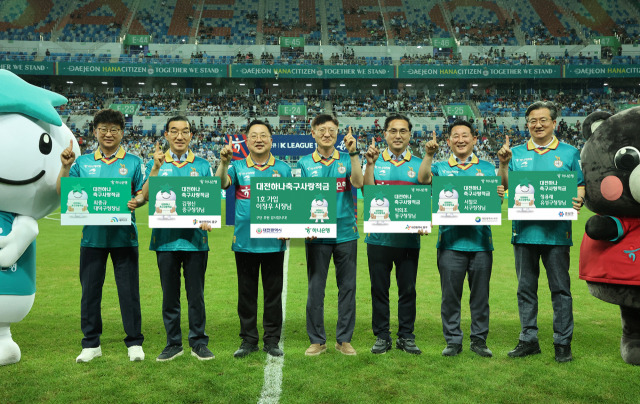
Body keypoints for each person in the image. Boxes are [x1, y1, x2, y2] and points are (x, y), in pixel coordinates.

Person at [56, 109, 146, 363]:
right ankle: (91, 344)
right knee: (90, 292)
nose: (109, 134)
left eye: (114, 129)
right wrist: (65, 167)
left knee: (129, 292)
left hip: (124, 237)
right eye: (103, 129)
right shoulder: (81, 163)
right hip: (92, 239)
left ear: (122, 132)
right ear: (95, 132)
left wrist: (137, 201)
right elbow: (63, 193)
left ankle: (134, 342)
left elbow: (143, 194)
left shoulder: (134, 162)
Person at [499, 101, 585, 363]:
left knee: (560, 290)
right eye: (532, 121)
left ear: (554, 123)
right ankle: (528, 339)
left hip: (558, 233)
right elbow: (505, 187)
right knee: (525, 289)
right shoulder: (514, 153)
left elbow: (579, 186)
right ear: (527, 124)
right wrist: (503, 165)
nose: (537, 125)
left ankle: (562, 343)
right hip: (524, 233)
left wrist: (578, 199)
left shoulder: (570, 153)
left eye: (543, 120)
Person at [418, 120, 508, 358]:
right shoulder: (439, 167)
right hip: (450, 243)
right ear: (448, 142)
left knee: (480, 297)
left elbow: (499, 196)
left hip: (481, 243)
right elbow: (423, 179)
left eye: (465, 135)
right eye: (455, 136)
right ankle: (453, 341)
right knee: (450, 296)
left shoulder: (488, 168)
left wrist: (500, 184)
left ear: (474, 139)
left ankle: (479, 341)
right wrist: (428, 155)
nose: (460, 140)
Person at [216, 120, 291, 358]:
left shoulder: (284, 169)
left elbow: (291, 202)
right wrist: (224, 162)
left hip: (273, 243)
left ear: (271, 140)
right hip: (245, 243)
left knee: (273, 294)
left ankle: (271, 340)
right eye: (254, 136)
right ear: (246, 141)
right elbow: (221, 184)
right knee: (246, 295)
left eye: (263, 135)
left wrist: (289, 225)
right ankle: (248, 340)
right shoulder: (237, 167)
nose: (259, 139)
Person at [142, 116, 214, 362]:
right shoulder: (158, 163)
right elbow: (146, 196)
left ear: (191, 136)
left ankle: (198, 342)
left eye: (185, 132)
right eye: (174, 131)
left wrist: (209, 219)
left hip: (196, 241)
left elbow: (209, 201)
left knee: (196, 296)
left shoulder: (203, 165)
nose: (180, 136)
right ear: (167, 135)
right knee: (169, 295)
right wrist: (155, 169)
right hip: (165, 240)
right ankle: (173, 343)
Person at [297, 115, 363, 356]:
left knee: (347, 288)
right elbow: (302, 199)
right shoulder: (305, 163)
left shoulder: (348, 158)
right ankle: (317, 340)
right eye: (322, 130)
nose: (327, 134)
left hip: (346, 232)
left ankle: (343, 339)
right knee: (316, 288)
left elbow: (357, 183)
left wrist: (354, 153)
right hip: (317, 234)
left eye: (332, 130)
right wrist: (306, 227)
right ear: (313, 133)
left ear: (338, 133)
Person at [363, 114, 423, 355]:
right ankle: (382, 335)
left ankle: (406, 335)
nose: (398, 135)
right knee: (379, 289)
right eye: (393, 131)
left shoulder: (419, 163)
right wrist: (369, 164)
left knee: (408, 289)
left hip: (408, 239)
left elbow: (428, 194)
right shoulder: (375, 161)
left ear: (410, 135)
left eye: (403, 131)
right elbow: (368, 191)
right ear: (385, 134)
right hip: (378, 238)